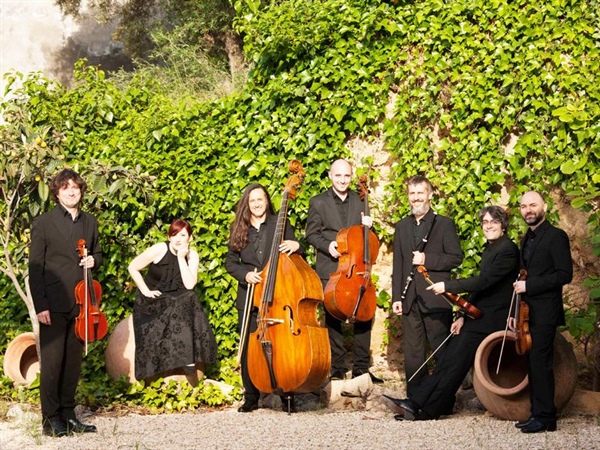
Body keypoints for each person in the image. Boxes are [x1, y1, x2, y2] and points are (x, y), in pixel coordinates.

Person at [385, 206, 519, 420]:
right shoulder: (491, 249)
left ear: (503, 225)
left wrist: (447, 286)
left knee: (454, 362)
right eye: (485, 222)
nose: (489, 226)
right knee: (449, 360)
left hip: (494, 318)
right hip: (479, 316)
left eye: (493, 222)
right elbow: (480, 289)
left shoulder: (508, 250)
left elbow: (483, 282)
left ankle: (425, 408)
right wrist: (463, 317)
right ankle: (419, 404)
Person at [29, 169, 101, 437]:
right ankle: (50, 420)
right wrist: (41, 306)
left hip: (82, 305)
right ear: (57, 192)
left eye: (75, 187)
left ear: (81, 190)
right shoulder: (44, 223)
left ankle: (70, 416)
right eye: (65, 187)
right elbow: (35, 268)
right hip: (54, 304)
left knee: (73, 364)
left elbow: (98, 254)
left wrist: (95, 260)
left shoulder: (90, 222)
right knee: (52, 365)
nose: (71, 191)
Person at [225, 183, 304, 412]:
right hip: (250, 295)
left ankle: (287, 393)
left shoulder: (280, 224)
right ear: (246, 204)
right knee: (250, 346)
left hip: (278, 293)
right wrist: (245, 274)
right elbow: (230, 262)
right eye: (252, 201)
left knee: (283, 344)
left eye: (260, 199)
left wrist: (297, 245)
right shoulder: (238, 228)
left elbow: (294, 255)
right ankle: (251, 397)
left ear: (267, 201)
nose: (257, 204)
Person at [305, 159, 380, 382]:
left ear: (351, 176)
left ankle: (361, 368)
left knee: (364, 314)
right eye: (338, 176)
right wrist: (328, 245)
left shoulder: (361, 200)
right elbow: (311, 234)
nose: (342, 180)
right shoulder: (318, 202)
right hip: (332, 268)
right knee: (333, 316)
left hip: (356, 270)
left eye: (347, 176)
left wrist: (370, 225)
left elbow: (365, 238)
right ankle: (337, 369)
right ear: (330, 175)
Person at [391, 175, 463, 397]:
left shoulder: (444, 224)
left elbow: (455, 257)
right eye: (412, 194)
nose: (416, 198)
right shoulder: (402, 226)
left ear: (430, 195)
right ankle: (416, 399)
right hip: (410, 300)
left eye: (420, 193)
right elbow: (399, 264)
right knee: (413, 355)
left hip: (435, 298)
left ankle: (444, 400)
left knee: (442, 350)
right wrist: (396, 298)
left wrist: (426, 259)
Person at [512, 191, 572, 433]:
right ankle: (536, 413)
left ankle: (547, 418)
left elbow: (564, 274)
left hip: (546, 311)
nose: (529, 210)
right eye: (524, 206)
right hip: (527, 313)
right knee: (532, 362)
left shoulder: (556, 236)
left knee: (541, 362)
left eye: (533, 205)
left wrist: (529, 286)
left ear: (544, 206)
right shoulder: (527, 238)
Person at [128, 218, 217, 384]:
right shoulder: (159, 249)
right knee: (181, 303)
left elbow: (190, 285)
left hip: (177, 300)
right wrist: (145, 290)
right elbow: (133, 266)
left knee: (189, 299)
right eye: (174, 234)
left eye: (182, 235)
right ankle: (155, 374)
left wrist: (182, 259)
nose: (178, 239)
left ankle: (188, 359)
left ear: (190, 238)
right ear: (169, 237)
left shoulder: (192, 256)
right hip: (153, 300)